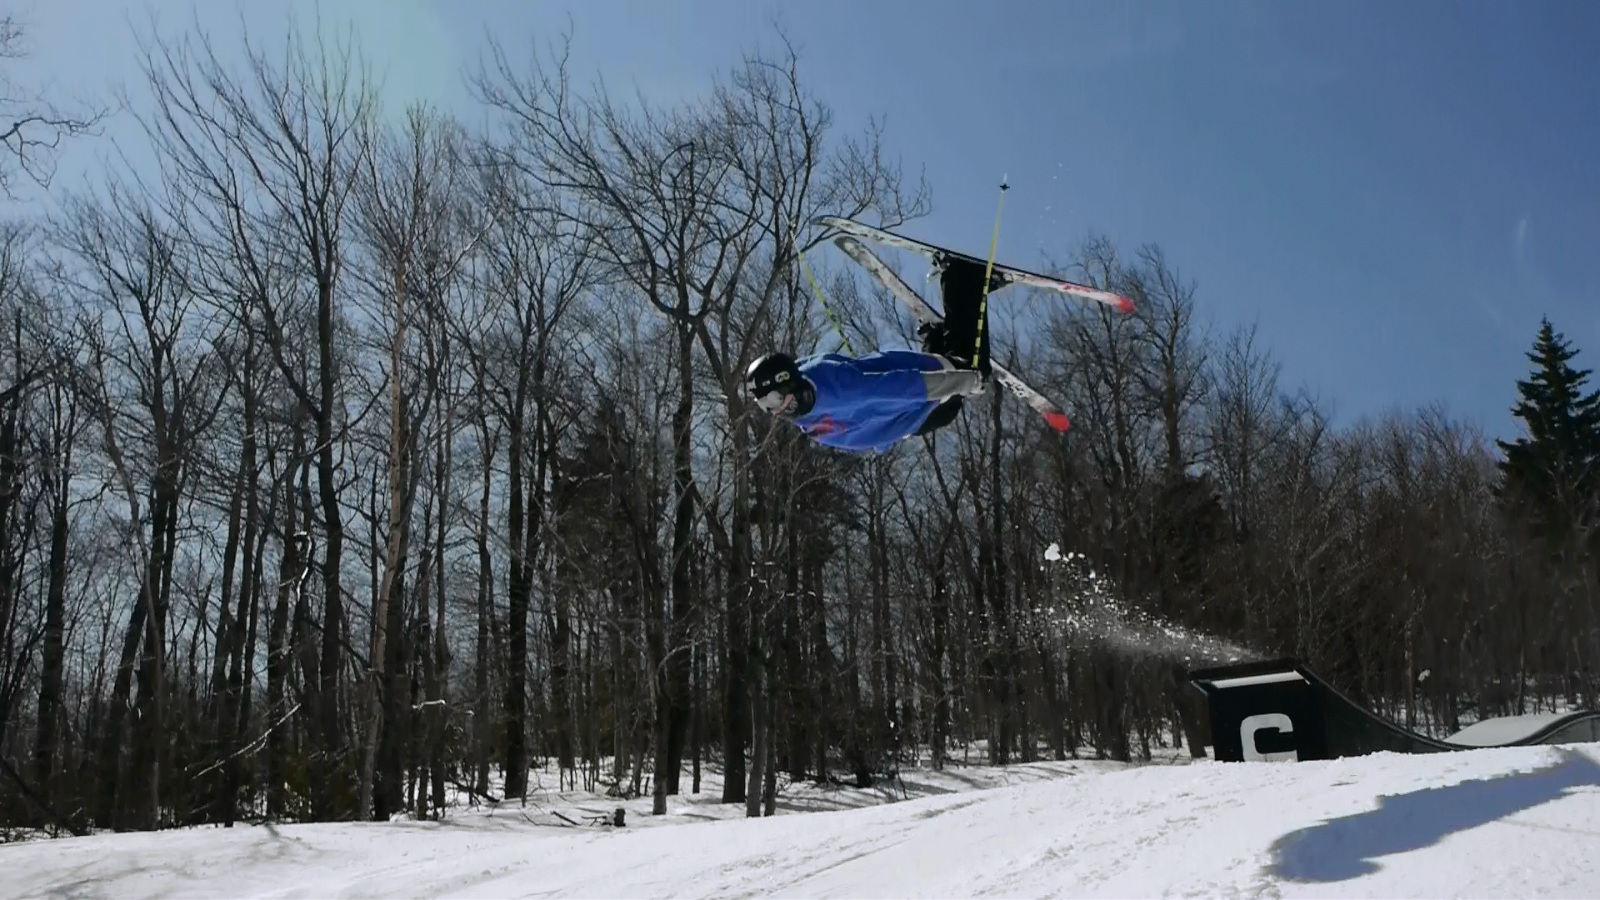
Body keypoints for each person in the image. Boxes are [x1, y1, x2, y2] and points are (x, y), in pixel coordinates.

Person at [746, 254, 1002, 452]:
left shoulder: (844, 390)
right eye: (765, 406)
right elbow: (858, 431)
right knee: (953, 376)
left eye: (775, 400)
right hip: (902, 419)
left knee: (972, 367)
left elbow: (904, 387)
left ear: (790, 381)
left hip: (917, 405)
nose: (776, 411)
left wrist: (966, 380)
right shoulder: (807, 415)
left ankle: (962, 276)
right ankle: (941, 331)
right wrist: (882, 441)